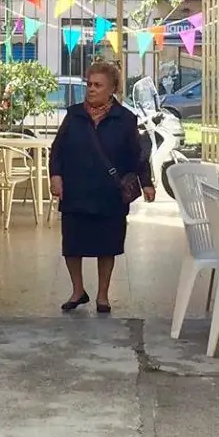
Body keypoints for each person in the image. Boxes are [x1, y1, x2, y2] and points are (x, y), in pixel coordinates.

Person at [49, 60, 155, 314]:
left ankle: (103, 295)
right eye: (89, 84)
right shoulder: (74, 115)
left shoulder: (125, 119)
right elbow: (58, 149)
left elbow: (137, 155)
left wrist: (146, 183)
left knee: (107, 245)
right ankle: (78, 291)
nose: (92, 89)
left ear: (112, 89)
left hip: (109, 194)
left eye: (98, 85)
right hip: (76, 190)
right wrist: (55, 176)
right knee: (72, 244)